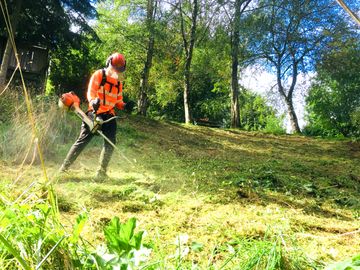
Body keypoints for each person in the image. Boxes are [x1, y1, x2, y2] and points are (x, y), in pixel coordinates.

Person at [59, 52, 133, 178]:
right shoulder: (99, 74)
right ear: (109, 64)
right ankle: (64, 168)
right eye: (115, 68)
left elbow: (118, 101)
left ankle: (101, 172)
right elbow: (91, 92)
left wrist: (125, 106)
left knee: (110, 142)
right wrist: (93, 101)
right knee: (83, 141)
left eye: (119, 70)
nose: (116, 72)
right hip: (95, 113)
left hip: (109, 115)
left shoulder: (118, 83)